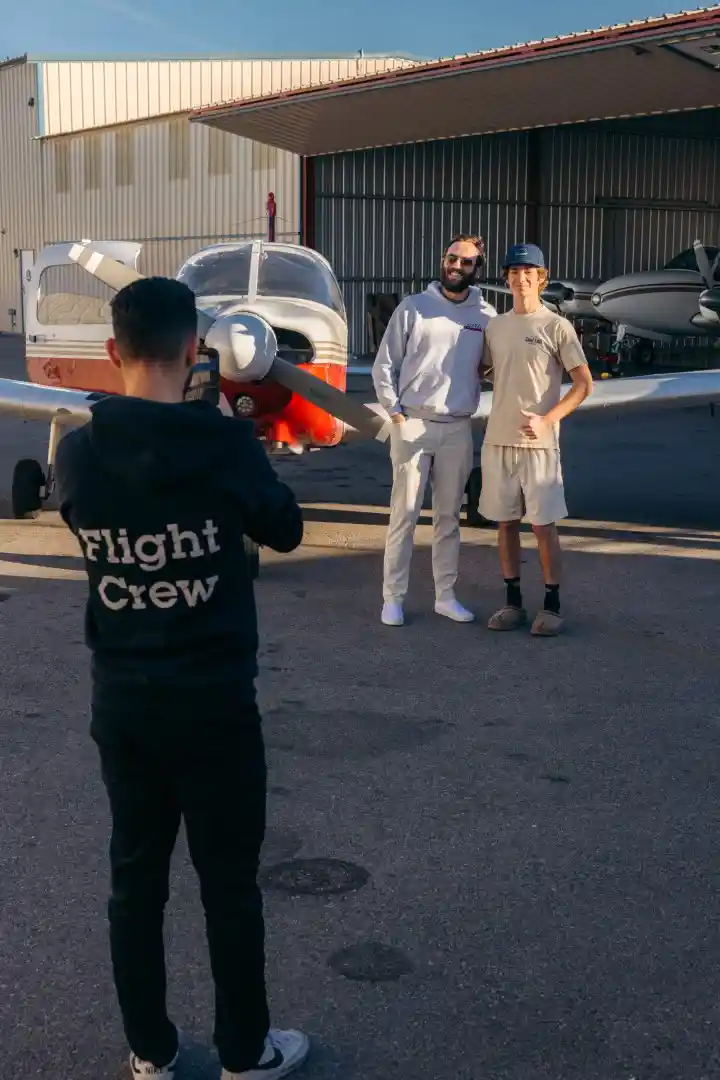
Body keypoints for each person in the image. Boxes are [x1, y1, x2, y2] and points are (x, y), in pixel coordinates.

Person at [54, 277, 309, 1080]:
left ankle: (150, 1050)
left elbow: (78, 513)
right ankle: (245, 1052)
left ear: (112, 353)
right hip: (215, 705)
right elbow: (287, 529)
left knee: (136, 880)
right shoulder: (225, 443)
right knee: (229, 885)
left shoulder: (79, 450)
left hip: (125, 702)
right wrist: (231, 443)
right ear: (195, 349)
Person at [371, 234, 496, 627]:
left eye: (465, 262)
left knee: (449, 519)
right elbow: (384, 365)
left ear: (478, 269)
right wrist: (395, 416)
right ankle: (393, 599)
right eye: (451, 258)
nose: (456, 267)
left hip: (457, 428)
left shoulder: (486, 316)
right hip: (413, 423)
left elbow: (493, 367)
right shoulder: (414, 308)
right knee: (404, 515)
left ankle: (446, 596)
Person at [478, 243, 594, 636]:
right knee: (506, 523)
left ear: (541, 278)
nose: (521, 277)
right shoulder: (495, 326)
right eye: (514, 271)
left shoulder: (556, 326)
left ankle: (552, 605)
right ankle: (512, 603)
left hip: (539, 445)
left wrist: (548, 419)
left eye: (529, 272)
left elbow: (583, 384)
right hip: (498, 440)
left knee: (543, 525)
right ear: (507, 278)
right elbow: (481, 371)